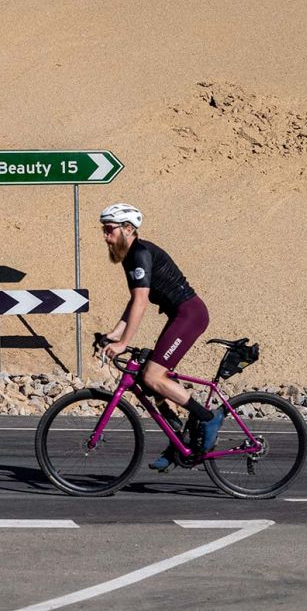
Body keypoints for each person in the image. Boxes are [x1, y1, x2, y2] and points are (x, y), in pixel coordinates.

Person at [98, 202, 222, 472]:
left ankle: (207, 418)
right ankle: (179, 442)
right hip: (179, 316)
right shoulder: (130, 255)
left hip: (190, 315)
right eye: (103, 229)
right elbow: (133, 301)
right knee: (150, 380)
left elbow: (141, 303)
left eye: (109, 229)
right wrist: (114, 333)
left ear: (128, 229)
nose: (105, 235)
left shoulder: (140, 253)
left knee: (153, 376)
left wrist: (123, 343)